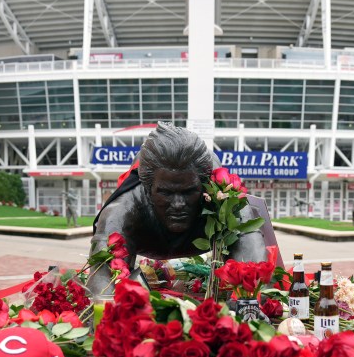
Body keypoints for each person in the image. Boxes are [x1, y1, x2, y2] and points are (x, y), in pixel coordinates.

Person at [87, 122, 274, 295]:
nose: (178, 204)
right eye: (166, 193)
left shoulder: (227, 203)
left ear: (204, 187)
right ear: (148, 189)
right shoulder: (122, 210)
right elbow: (100, 291)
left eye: (189, 192)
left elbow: (258, 285)